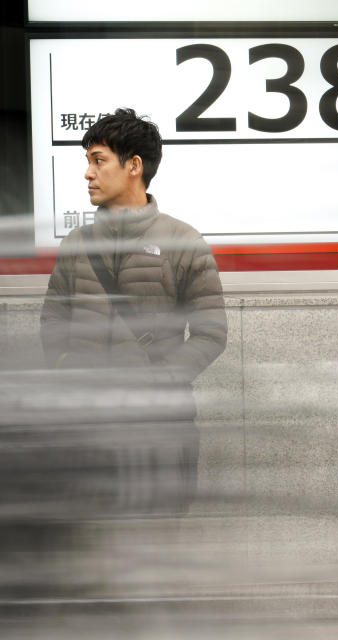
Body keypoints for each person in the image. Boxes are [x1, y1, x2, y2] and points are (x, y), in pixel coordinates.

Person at [40, 107, 227, 516]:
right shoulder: (78, 243)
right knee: (87, 547)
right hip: (85, 425)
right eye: (87, 162)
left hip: (157, 428)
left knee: (155, 541)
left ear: (134, 166)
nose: (88, 173)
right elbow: (53, 320)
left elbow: (212, 331)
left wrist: (159, 381)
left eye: (98, 160)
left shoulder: (183, 240)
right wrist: (70, 367)